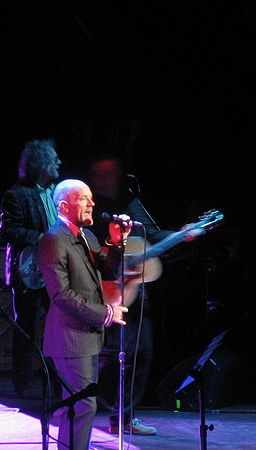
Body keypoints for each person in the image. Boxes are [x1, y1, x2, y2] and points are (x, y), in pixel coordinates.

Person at [87, 155, 203, 436]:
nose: (102, 181)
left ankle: (124, 418)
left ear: (119, 176)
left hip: (134, 290)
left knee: (142, 354)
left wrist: (181, 234)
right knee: (108, 357)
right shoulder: (91, 207)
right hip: (103, 290)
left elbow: (151, 235)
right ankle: (94, 409)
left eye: (108, 175)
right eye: (98, 175)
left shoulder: (130, 202)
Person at [37, 178, 130, 450]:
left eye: (91, 197)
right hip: (69, 338)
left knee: (79, 407)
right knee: (83, 406)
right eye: (83, 199)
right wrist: (106, 313)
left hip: (86, 338)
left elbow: (108, 270)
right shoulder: (53, 240)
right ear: (64, 206)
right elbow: (61, 295)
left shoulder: (86, 237)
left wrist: (116, 242)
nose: (92, 204)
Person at [0, 138, 62, 399]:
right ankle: (23, 384)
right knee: (25, 328)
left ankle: (57, 382)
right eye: (54, 158)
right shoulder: (16, 194)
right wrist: (40, 238)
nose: (59, 162)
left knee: (58, 327)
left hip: (53, 271)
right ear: (41, 163)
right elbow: (6, 230)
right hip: (27, 272)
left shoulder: (56, 193)